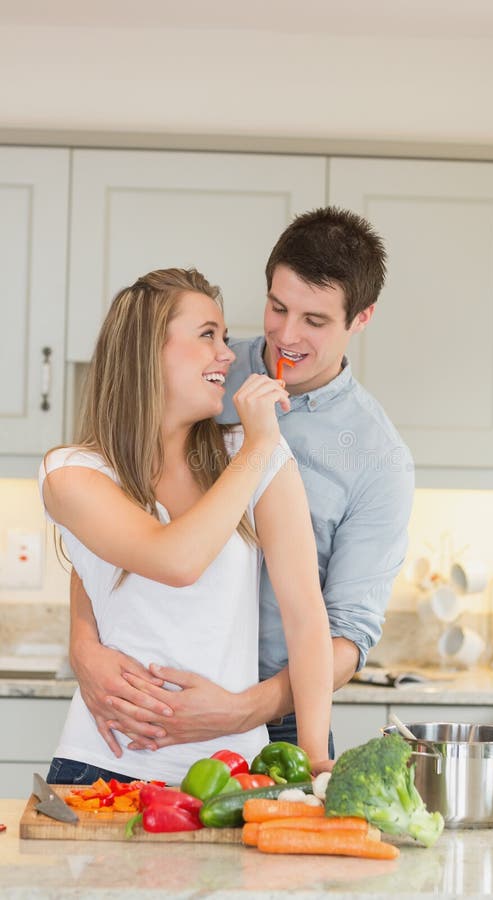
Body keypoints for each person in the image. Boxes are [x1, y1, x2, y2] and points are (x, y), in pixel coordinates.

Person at [69, 207, 414, 759]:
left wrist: (241, 709)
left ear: (361, 318)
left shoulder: (379, 459)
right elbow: (112, 512)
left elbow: (345, 637)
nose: (288, 335)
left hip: (276, 719)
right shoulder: (206, 369)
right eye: (278, 308)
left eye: (316, 321)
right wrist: (83, 646)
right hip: (148, 698)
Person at [39, 267, 333, 785]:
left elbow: (306, 616)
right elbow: (174, 561)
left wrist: (314, 759)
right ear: (148, 351)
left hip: (236, 776)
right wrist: (261, 445)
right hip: (103, 771)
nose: (227, 353)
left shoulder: (251, 453)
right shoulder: (72, 474)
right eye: (207, 335)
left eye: (223, 336)